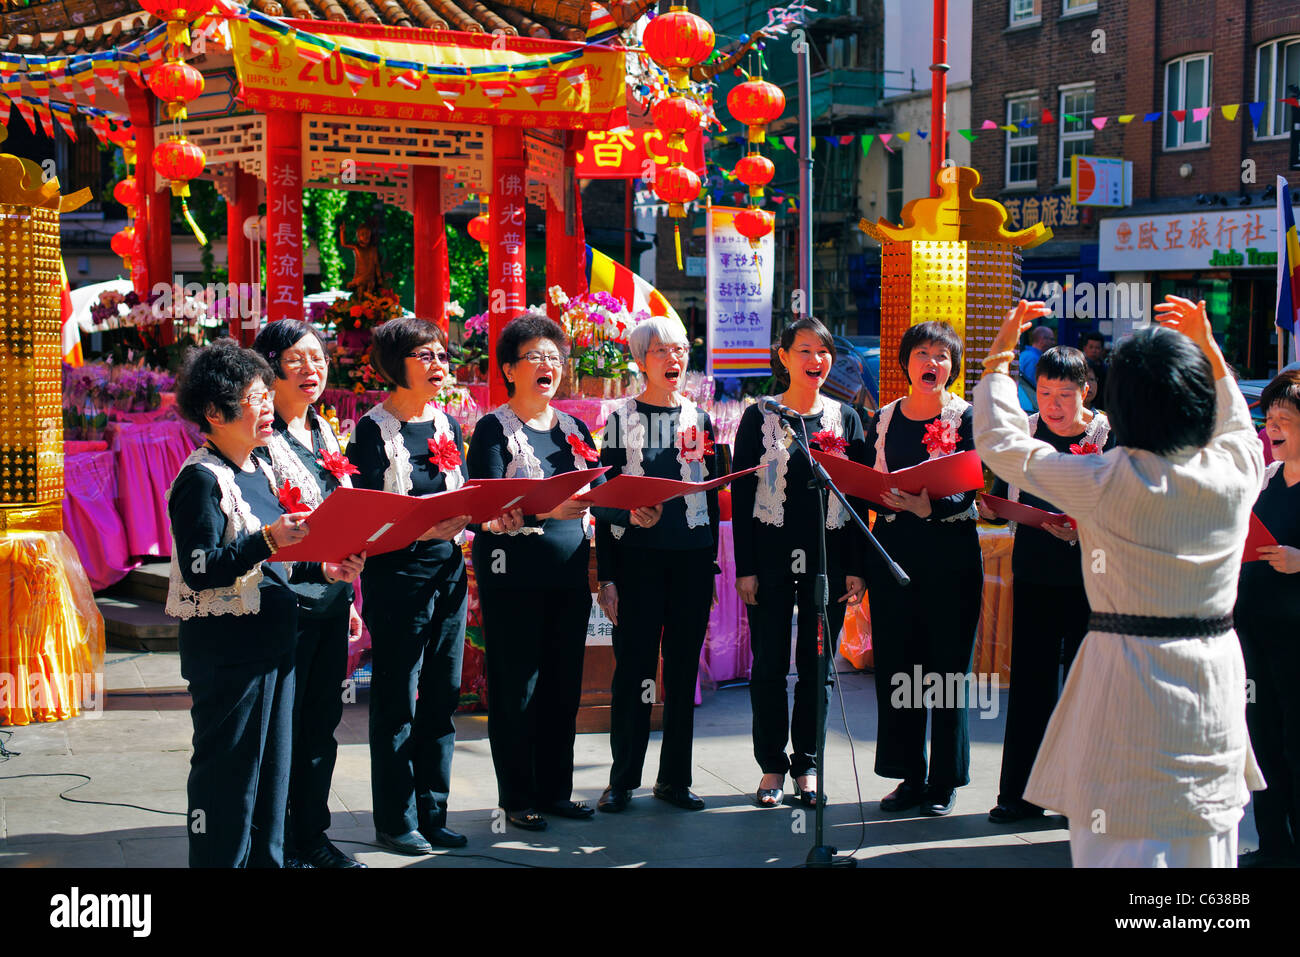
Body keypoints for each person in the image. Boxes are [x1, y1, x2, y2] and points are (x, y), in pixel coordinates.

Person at [975, 297, 1265, 868]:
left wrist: (1000, 358)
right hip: (1213, 677)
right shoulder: (1235, 472)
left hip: (1125, 673)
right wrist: (1208, 351)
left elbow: (1004, 446)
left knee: (1120, 843)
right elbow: (1237, 424)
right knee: (1205, 847)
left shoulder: (1107, 478)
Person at [168, 340, 364, 867]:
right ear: (214, 413)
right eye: (253, 397)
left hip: (275, 646)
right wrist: (270, 542)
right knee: (228, 780)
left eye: (263, 394)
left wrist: (323, 567)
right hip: (229, 655)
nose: (265, 405)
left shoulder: (259, 469)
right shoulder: (201, 478)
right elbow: (201, 568)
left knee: (272, 779)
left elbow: (275, 557)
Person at [466, 314, 606, 832]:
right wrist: (545, 511)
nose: (548, 365)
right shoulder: (491, 429)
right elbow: (482, 507)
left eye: (554, 357)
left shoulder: (574, 428)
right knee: (516, 686)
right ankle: (517, 796)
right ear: (508, 369)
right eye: (535, 357)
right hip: (512, 575)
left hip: (569, 573)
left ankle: (556, 790)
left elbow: (595, 489)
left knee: (562, 685)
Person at [731, 316, 867, 809]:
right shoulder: (759, 417)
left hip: (826, 561)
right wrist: (744, 566)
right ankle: (771, 765)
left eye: (823, 351)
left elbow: (856, 499)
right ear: (784, 356)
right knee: (768, 663)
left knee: (816, 666)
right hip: (767, 560)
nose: (816, 360)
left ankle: (807, 765)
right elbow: (742, 493)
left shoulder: (846, 419)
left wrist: (856, 565)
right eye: (805, 350)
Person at [349, 317, 473, 855]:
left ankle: (434, 811)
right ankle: (396, 820)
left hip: (449, 571)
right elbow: (365, 517)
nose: (439, 366)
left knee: (442, 696)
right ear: (394, 366)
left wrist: (464, 518)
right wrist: (424, 527)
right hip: (396, 575)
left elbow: (463, 492)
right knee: (398, 698)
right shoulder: (371, 431)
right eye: (426, 356)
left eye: (442, 356)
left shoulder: (449, 425)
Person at [977, 346, 1114, 824]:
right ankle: (1019, 794)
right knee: (1032, 688)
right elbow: (995, 497)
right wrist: (991, 508)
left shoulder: (1108, 436)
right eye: (1044, 393)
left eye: (1064, 394)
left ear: (1087, 392)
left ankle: (1083, 797)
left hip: (1091, 582)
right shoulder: (1026, 433)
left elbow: (1123, 508)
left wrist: (1085, 529)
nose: (1053, 404)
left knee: (1085, 691)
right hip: (1033, 574)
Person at [592, 316, 720, 814]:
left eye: (682, 350)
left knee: (683, 673)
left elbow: (707, 499)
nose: (675, 359)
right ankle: (622, 779)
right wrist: (607, 575)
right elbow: (602, 498)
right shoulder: (621, 418)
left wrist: (710, 568)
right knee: (635, 673)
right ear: (641, 360)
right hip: (637, 565)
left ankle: (675, 780)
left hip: (689, 564)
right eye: (663, 351)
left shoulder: (699, 418)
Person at [250, 320, 364, 868]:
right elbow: (259, 529)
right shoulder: (257, 442)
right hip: (281, 606)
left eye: (318, 358)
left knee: (320, 727)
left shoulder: (324, 430)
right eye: (296, 359)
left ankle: (310, 838)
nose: (312, 368)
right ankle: (270, 845)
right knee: (281, 732)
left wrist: (350, 593)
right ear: (270, 367)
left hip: (330, 601)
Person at [864, 321, 982, 817]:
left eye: (941, 355)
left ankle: (944, 780)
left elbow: (972, 485)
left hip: (950, 556)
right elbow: (867, 482)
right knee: (899, 667)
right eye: (922, 354)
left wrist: (929, 507)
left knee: (946, 671)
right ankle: (908, 774)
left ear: (952, 366)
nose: (931, 363)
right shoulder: (884, 418)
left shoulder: (966, 416)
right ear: (906, 362)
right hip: (894, 557)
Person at [1235, 369, 1300, 867]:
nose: (1272, 427)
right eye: (1269, 417)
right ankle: (1272, 844)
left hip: (1295, 637)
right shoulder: (1268, 476)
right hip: (1255, 631)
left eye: (1285, 420)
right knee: (1263, 743)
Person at [1017, 325, 1056, 413]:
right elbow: (1033, 386)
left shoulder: (1025, 354)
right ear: (1042, 339)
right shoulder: (1034, 359)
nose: (1053, 343)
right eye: (1052, 339)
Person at [1079, 331, 1108, 411]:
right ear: (1085, 348)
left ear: (1102, 350)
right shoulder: (1078, 367)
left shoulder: (1107, 370)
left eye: (1097, 348)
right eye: (1091, 347)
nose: (1094, 351)